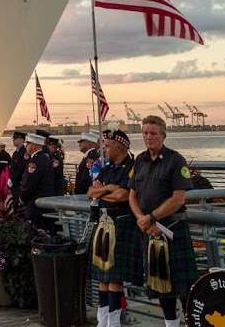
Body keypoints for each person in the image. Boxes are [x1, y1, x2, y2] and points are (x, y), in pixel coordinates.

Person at [127, 115, 197, 327]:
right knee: (161, 286)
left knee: (183, 287)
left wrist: (151, 217)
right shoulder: (139, 160)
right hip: (148, 230)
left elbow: (178, 199)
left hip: (171, 229)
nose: (149, 137)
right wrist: (141, 218)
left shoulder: (176, 160)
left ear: (163, 136)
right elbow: (132, 195)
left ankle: (192, 321)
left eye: (153, 133)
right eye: (145, 133)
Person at [87, 130, 135, 327]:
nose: (103, 149)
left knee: (114, 278)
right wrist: (108, 189)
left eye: (106, 145)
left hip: (121, 223)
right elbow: (90, 192)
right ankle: (102, 320)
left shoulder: (131, 168)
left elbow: (123, 196)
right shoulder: (106, 169)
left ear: (119, 146)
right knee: (102, 277)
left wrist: (102, 190)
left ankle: (113, 322)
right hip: (103, 222)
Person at [20, 133, 56, 229]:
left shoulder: (35, 161)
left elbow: (29, 184)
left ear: (33, 146)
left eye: (27, 144)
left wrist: (22, 198)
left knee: (35, 230)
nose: (26, 146)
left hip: (35, 203)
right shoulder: (45, 158)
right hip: (45, 202)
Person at [9, 131, 28, 206]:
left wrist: (12, 179)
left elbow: (21, 169)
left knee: (19, 205)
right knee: (15, 203)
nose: (13, 140)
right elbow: (13, 168)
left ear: (21, 140)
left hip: (20, 184)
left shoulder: (24, 152)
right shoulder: (15, 153)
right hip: (14, 184)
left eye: (15, 138)